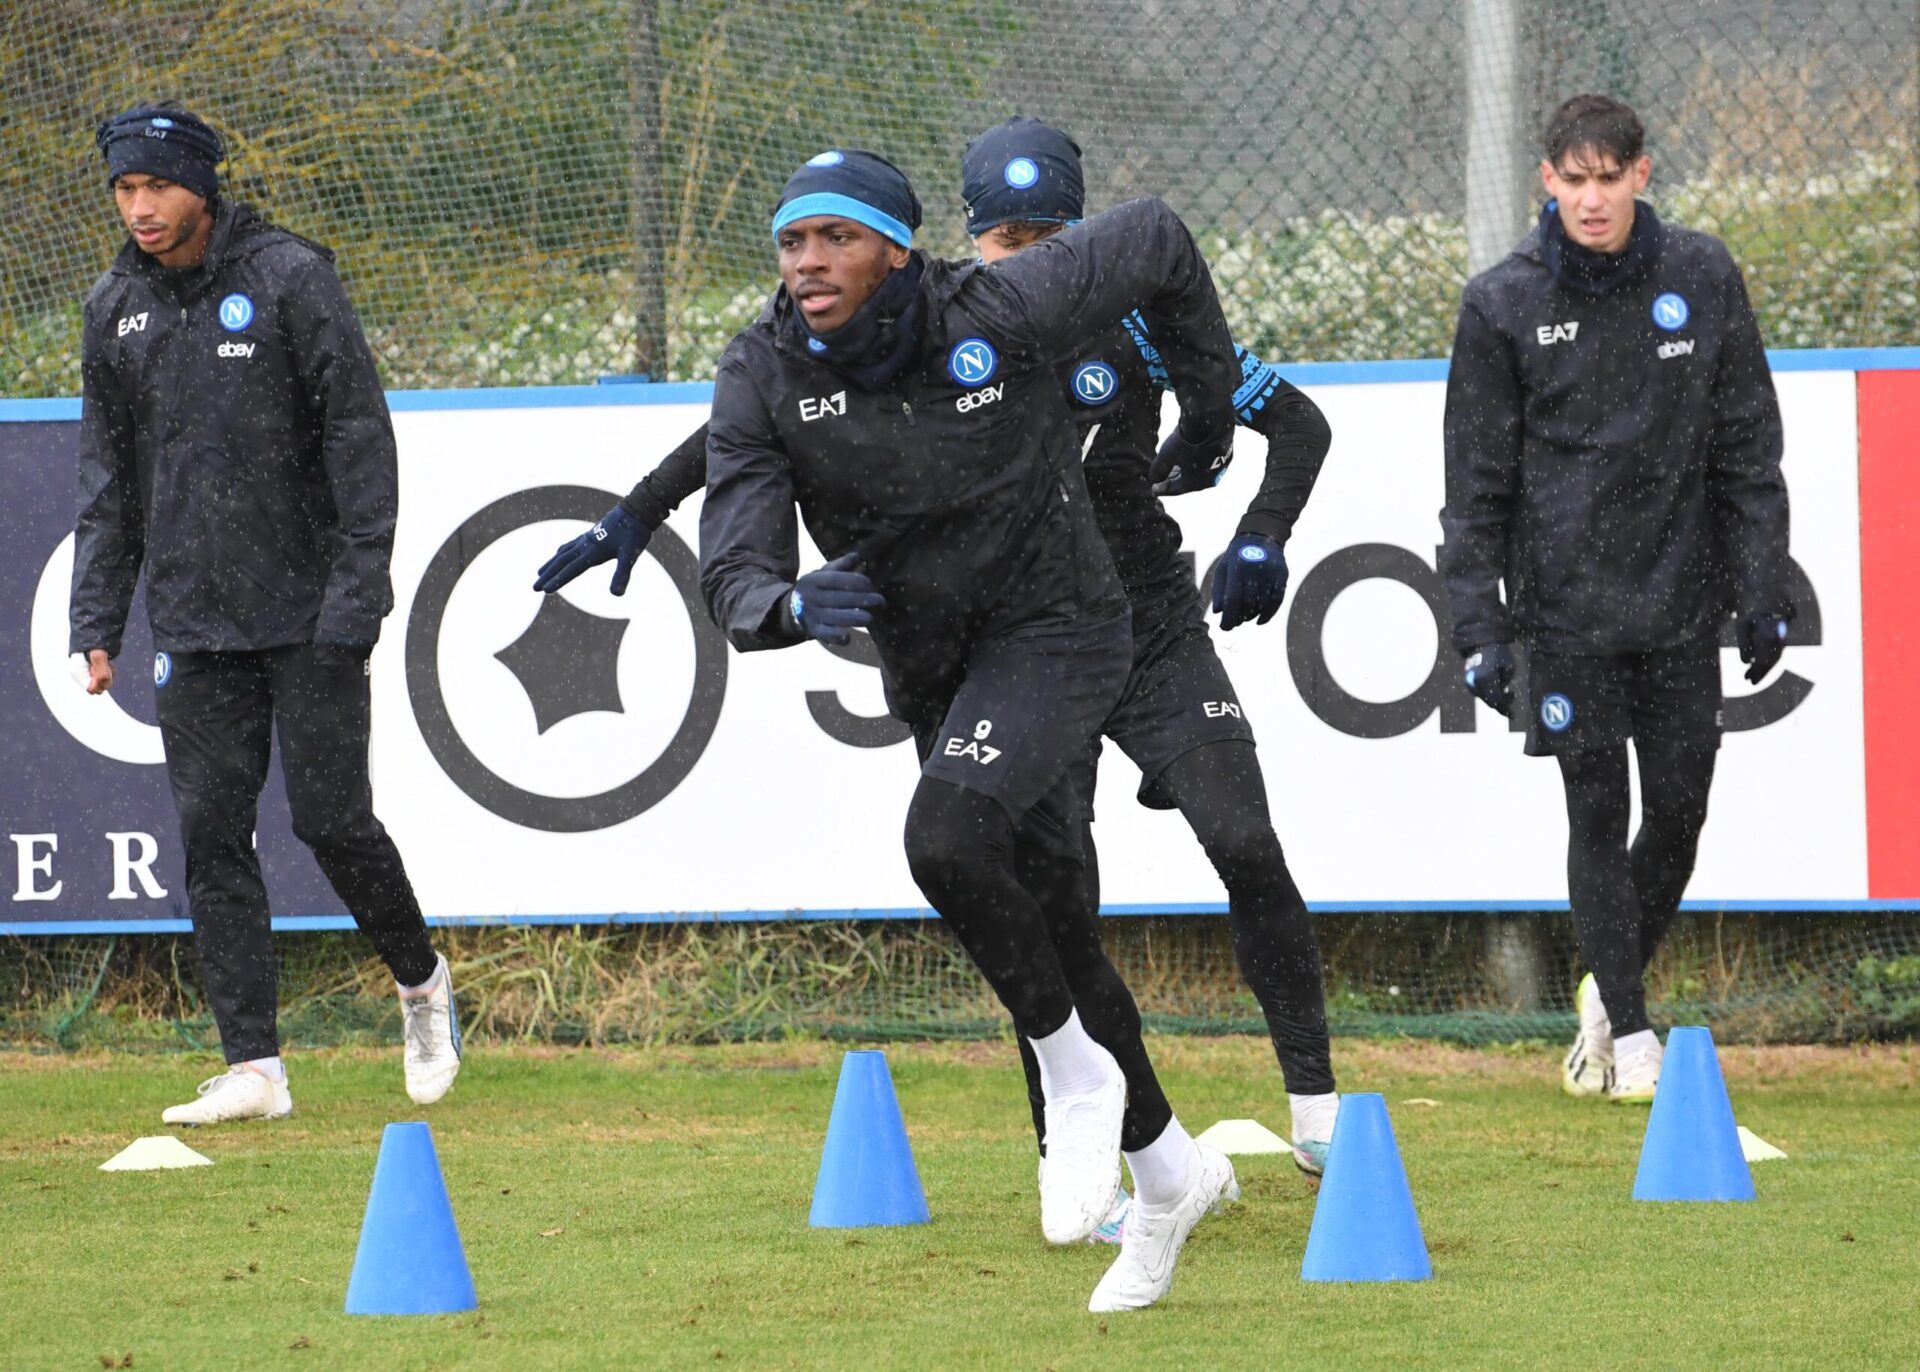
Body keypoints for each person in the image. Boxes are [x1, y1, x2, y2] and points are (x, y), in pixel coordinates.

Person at [701, 148, 1240, 1312]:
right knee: (1050, 915)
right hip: (939, 664)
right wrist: (780, 605)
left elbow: (1153, 232)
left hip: (1061, 627)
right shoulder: (760, 371)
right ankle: (1168, 1171)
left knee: (944, 842)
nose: (807, 263)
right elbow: (735, 546)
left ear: (897, 247)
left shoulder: (999, 303)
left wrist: (1209, 401)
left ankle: (1074, 1080)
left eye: (834, 238)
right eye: (791, 242)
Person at [957, 116, 1342, 1182]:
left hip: (1150, 628)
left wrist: (1263, 533)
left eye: (1050, 233)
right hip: (1030, 646)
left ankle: (1317, 1110)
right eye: (1006, 237)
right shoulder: (951, 333)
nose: (1029, 255)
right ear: (972, 239)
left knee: (1246, 840)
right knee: (1050, 902)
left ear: (1083, 233)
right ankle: (1070, 1155)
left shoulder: (1136, 318)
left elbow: (1299, 424)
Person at [69, 104, 461, 1125]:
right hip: (193, 622)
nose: (140, 206)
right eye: (124, 189)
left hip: (312, 613)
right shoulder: (112, 307)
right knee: (211, 834)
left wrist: (357, 591)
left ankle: (421, 985)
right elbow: (108, 480)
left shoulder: (289, 276)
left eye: (156, 186)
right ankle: (255, 1066)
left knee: (329, 819)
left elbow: (360, 444)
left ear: (201, 183)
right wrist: (96, 617)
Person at [1439, 94, 1792, 1103]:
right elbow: (1475, 485)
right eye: (1573, 180)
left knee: (1680, 814)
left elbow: (1747, 447)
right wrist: (1481, 623)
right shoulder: (1501, 300)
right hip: (1564, 610)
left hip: (1681, 601)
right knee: (1597, 810)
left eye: (1610, 177)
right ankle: (1631, 1036)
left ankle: (1608, 984)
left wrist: (1761, 587)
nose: (1591, 200)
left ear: (1643, 173)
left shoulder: (1701, 275)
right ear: (1547, 181)